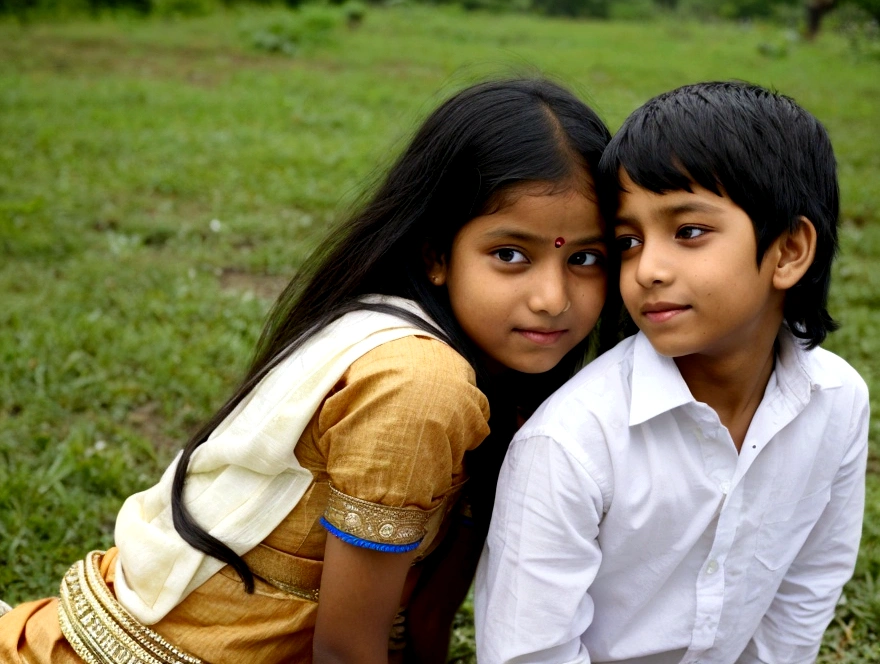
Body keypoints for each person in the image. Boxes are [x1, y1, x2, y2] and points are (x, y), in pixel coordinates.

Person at [0, 77, 617, 664]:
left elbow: (421, 620)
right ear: (435, 254)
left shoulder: (499, 379)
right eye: (510, 254)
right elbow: (346, 651)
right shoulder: (419, 383)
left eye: (586, 258)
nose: (552, 298)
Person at [475, 81, 869, 664]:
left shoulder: (837, 400)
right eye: (628, 241)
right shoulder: (571, 442)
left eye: (688, 232)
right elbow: (529, 652)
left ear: (788, 251)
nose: (647, 270)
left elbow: (805, 590)